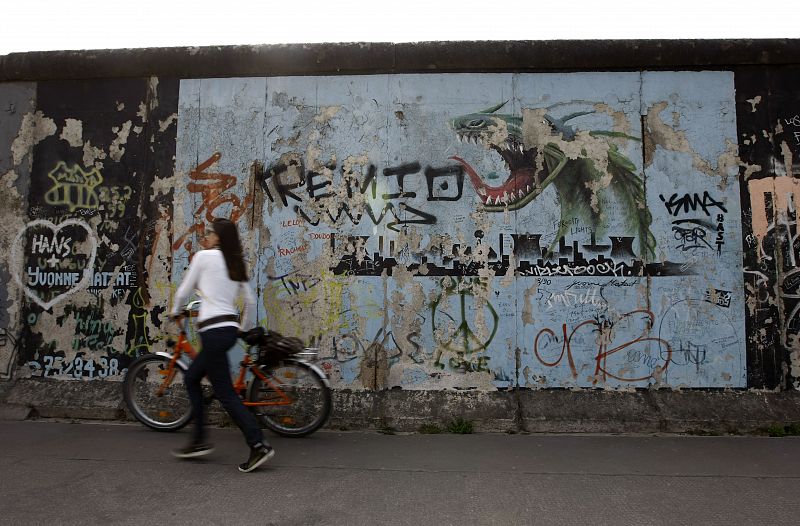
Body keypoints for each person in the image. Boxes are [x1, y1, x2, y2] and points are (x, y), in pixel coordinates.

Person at [169, 217, 274, 473]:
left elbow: (184, 290)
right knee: (192, 377)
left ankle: (258, 444)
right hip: (227, 330)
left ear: (218, 237)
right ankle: (198, 440)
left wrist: (175, 310)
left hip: (213, 332)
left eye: (210, 232)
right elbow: (249, 302)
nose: (207, 236)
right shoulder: (234, 261)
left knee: (225, 393)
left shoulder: (205, 258)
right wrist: (242, 329)